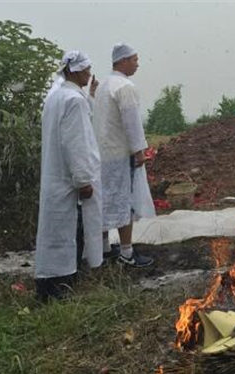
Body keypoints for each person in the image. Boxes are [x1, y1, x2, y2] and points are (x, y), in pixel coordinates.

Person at [35, 51, 103, 301]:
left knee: (56, 233)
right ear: (73, 71)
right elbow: (77, 143)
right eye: (85, 69)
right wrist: (83, 180)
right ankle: (60, 287)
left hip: (56, 176)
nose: (89, 73)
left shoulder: (56, 96)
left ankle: (51, 285)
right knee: (66, 234)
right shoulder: (73, 100)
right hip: (67, 179)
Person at [93, 43, 155, 267]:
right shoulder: (124, 86)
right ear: (123, 61)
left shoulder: (103, 86)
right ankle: (127, 254)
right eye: (134, 59)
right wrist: (139, 151)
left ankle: (104, 248)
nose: (137, 64)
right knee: (124, 202)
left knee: (104, 199)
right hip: (119, 155)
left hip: (102, 154)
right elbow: (132, 123)